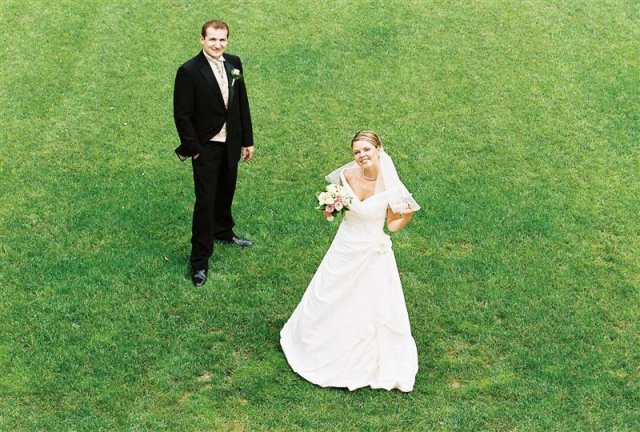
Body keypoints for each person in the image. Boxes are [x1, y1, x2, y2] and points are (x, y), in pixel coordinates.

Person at [280, 130, 420, 392]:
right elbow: (339, 206)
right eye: (357, 152)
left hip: (370, 250)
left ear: (378, 149)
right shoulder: (346, 176)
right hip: (344, 246)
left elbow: (392, 225)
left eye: (366, 149)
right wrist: (331, 207)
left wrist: (407, 216)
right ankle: (316, 342)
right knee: (329, 292)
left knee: (367, 301)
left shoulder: (391, 187)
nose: (362, 155)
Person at [173, 19, 254, 287]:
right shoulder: (189, 71)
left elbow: (241, 103)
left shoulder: (234, 63)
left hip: (231, 142)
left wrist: (247, 140)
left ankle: (224, 232)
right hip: (205, 146)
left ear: (227, 40)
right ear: (202, 40)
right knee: (206, 202)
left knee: (226, 190)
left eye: (222, 39)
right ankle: (199, 261)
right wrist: (194, 149)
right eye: (212, 39)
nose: (217, 45)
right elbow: (182, 115)